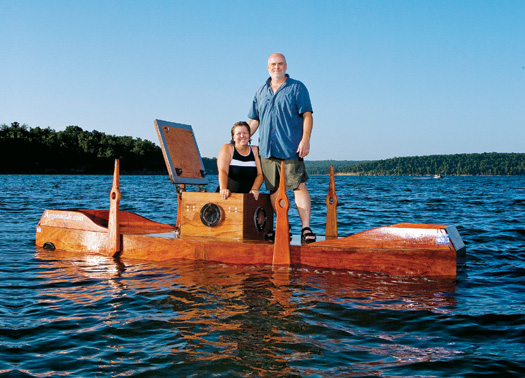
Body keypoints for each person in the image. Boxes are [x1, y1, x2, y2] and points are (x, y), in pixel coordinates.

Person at [247, 52, 316, 244]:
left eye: (280, 64)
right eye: (272, 64)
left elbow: (307, 115)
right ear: (268, 67)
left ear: (286, 66)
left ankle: (306, 228)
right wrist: (242, 138)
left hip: (291, 148)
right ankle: (281, 226)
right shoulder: (260, 91)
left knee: (298, 187)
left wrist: (306, 139)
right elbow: (254, 120)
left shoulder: (297, 87)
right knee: (274, 191)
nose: (276, 67)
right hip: (267, 151)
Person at [217, 121, 264, 200]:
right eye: (238, 134)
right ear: (233, 137)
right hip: (228, 197)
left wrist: (255, 189)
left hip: (247, 197)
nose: (242, 136)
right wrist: (223, 189)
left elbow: (260, 174)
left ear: (249, 135)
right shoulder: (227, 148)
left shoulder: (255, 150)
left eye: (245, 133)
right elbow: (223, 171)